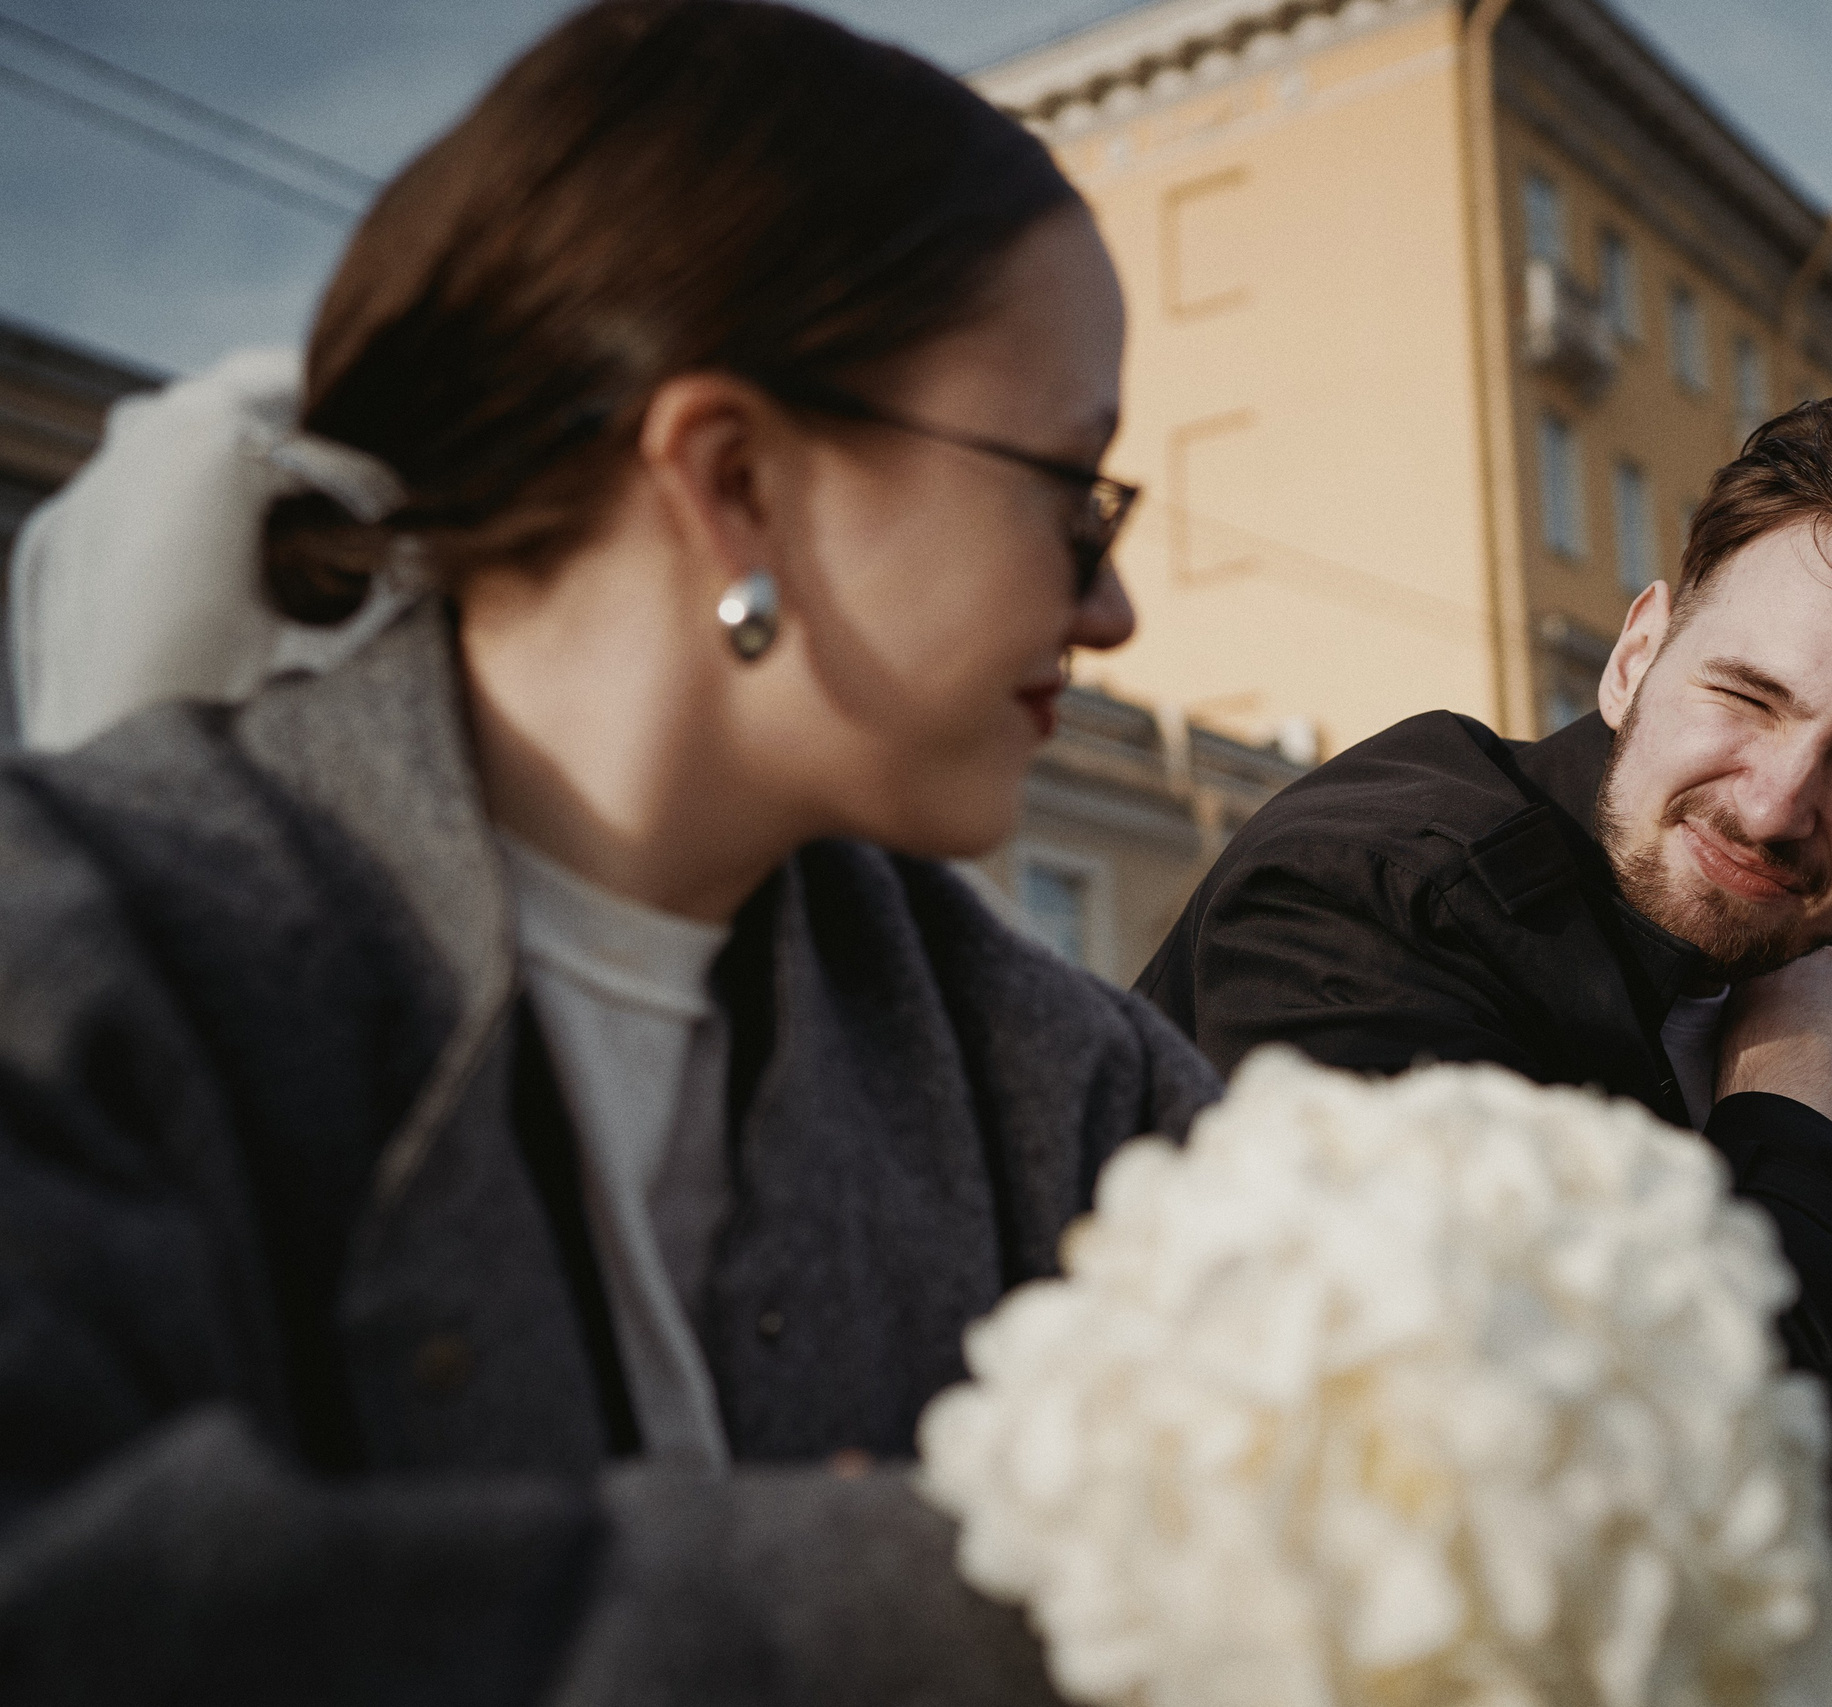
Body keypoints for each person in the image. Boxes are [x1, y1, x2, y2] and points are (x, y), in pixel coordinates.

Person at [0, 3, 1216, 1700]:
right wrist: (917, 1594)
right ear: (730, 479)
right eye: (1072, 489)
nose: (1110, 602)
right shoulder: (82, 955)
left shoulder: (1055, 1082)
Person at [1142, 391, 1832, 1533]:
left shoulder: (1827, 959)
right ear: (1635, 658)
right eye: (1746, 697)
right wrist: (1785, 1082)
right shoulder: (1371, 902)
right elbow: (1594, 1475)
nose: (1774, 808)